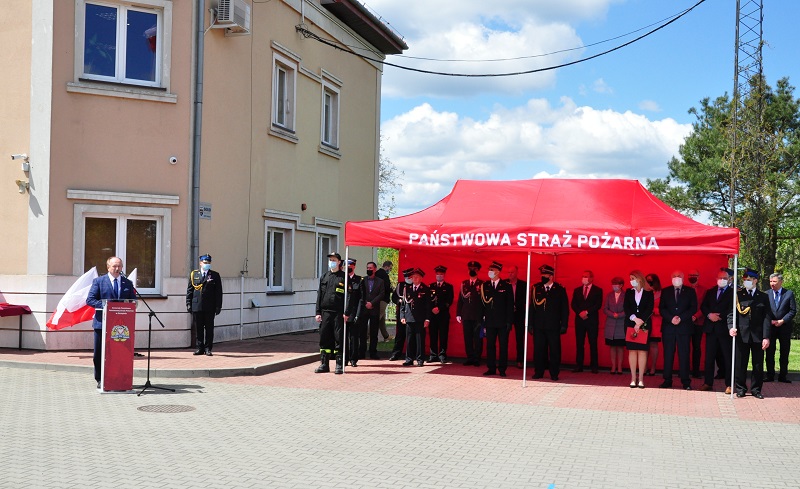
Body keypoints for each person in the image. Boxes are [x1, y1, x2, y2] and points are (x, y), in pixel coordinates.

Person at [87, 256, 136, 388]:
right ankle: (100, 379)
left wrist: (131, 305)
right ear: (108, 267)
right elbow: (90, 300)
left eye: (119, 266)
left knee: (119, 353)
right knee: (100, 353)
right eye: (114, 266)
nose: (117, 268)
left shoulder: (127, 283)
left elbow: (133, 301)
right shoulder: (99, 281)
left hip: (121, 326)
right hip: (102, 324)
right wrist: (106, 306)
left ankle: (119, 379)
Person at [729, 268, 771, 399]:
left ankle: (756, 389)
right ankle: (740, 388)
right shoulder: (738, 295)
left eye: (749, 279)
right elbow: (731, 314)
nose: (746, 282)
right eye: (745, 280)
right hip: (742, 334)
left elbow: (767, 318)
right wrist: (731, 327)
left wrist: (766, 337)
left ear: (755, 281)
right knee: (740, 364)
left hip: (758, 335)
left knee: (758, 364)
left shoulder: (763, 296)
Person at [529, 264, 569, 381]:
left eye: (545, 275)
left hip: (553, 326)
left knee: (554, 350)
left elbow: (564, 309)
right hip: (539, 325)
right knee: (539, 350)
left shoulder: (559, 289)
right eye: (542, 275)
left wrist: (564, 324)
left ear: (551, 276)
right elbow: (532, 308)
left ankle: (554, 373)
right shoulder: (536, 288)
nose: (542, 277)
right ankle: (539, 371)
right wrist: (530, 324)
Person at [659, 270, 698, 390]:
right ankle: (667, 380)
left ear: (683, 278)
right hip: (669, 328)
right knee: (668, 354)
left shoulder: (690, 291)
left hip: (684, 328)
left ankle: (686, 381)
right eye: (674, 276)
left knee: (684, 354)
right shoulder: (665, 291)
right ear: (671, 278)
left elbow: (693, 308)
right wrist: (671, 318)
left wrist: (681, 318)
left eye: (679, 276)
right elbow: (662, 308)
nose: (677, 278)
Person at [699, 268, 735, 394]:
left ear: (729, 279)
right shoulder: (711, 291)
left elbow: (732, 309)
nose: (722, 280)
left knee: (727, 357)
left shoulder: (733, 292)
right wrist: (710, 315)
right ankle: (708, 383)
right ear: (716, 279)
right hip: (711, 329)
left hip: (725, 329)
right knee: (709, 358)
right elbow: (704, 306)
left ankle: (729, 384)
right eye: (720, 278)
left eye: (725, 278)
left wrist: (720, 316)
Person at [186, 253, 223, 357]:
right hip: (197, 305)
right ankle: (199, 348)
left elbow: (218, 292)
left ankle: (208, 348)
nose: (207, 264)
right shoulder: (194, 274)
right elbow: (190, 290)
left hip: (210, 307)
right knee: (199, 328)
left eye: (209, 262)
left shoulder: (215, 275)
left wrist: (218, 306)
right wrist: (188, 303)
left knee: (209, 329)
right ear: (200, 263)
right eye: (205, 262)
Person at [480, 261, 514, 377]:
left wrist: (509, 321)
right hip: (489, 321)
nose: (490, 272)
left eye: (492, 270)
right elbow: (482, 305)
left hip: (502, 322)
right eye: (489, 270)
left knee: (503, 346)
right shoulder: (485, 286)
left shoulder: (506, 286)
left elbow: (510, 305)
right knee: (490, 345)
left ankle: (502, 369)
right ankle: (491, 368)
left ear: (498, 272)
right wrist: (481, 320)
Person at [314, 252, 346, 374]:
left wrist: (347, 312)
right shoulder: (324, 276)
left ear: (339, 262)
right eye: (330, 260)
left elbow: (348, 297)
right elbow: (319, 295)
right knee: (324, 338)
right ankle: (324, 364)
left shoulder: (343, 277)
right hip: (325, 313)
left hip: (338, 313)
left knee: (338, 338)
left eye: (334, 260)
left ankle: (339, 365)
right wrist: (318, 312)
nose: (331, 262)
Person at [624, 270, 654, 388]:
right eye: (630, 279)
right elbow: (626, 307)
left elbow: (649, 308)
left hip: (644, 325)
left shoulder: (648, 293)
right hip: (630, 324)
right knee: (632, 350)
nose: (631, 281)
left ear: (639, 279)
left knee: (642, 351)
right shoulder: (628, 292)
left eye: (633, 278)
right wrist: (634, 319)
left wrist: (640, 321)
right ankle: (633, 378)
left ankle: (641, 378)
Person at [570, 270, 603, 373]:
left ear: (591, 278)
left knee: (593, 343)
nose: (584, 278)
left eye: (587, 276)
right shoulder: (577, 290)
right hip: (580, 320)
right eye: (583, 276)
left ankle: (594, 366)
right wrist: (580, 312)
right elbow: (573, 304)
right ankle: (579, 365)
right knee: (579, 343)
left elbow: (598, 305)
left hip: (592, 320)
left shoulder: (598, 290)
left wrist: (587, 312)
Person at [766, 273, 796, 383]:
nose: (772, 284)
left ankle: (783, 376)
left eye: (774, 281)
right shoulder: (766, 294)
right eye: (771, 281)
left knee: (784, 352)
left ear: (781, 282)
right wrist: (770, 321)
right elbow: (763, 310)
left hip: (784, 327)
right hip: (771, 327)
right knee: (770, 352)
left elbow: (793, 310)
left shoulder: (789, 294)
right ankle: (770, 375)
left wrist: (782, 320)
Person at [457, 261, 484, 367]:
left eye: (474, 269)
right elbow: (460, 300)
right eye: (470, 269)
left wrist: (484, 314)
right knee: (467, 338)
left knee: (478, 338)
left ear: (478, 271)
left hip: (478, 316)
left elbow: (484, 301)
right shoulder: (464, 284)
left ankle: (477, 358)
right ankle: (470, 358)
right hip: (466, 315)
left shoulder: (482, 284)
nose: (472, 271)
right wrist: (458, 314)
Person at [401, 268, 430, 367]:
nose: (414, 278)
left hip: (420, 318)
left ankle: (420, 359)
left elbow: (428, 306)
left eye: (417, 277)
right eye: (413, 277)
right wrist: (402, 316)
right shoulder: (407, 288)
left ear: (421, 278)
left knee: (420, 340)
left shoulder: (425, 289)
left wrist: (427, 319)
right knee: (409, 340)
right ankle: (409, 359)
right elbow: (403, 304)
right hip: (409, 317)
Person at [428, 265, 454, 363]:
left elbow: (449, 301)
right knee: (433, 335)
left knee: (443, 336)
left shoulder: (448, 287)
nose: (439, 276)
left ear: (444, 275)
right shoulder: (431, 286)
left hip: (443, 315)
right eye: (438, 274)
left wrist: (439, 308)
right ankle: (433, 355)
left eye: (441, 274)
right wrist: (432, 308)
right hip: (433, 315)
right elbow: (428, 301)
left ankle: (442, 355)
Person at [362, 261, 386, 360]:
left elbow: (382, 294)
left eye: (370, 268)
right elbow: (361, 293)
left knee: (374, 332)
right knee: (362, 332)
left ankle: (373, 352)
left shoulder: (380, 281)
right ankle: (361, 352)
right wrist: (365, 303)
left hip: (374, 309)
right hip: (364, 309)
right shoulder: (363, 280)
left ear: (375, 269)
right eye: (367, 268)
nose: (369, 269)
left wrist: (372, 303)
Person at [389, 268, 414, 361]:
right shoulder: (401, 285)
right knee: (400, 334)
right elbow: (394, 297)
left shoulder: (415, 285)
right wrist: (398, 301)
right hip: (402, 313)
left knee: (412, 335)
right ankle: (396, 353)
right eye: (406, 277)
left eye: (410, 277)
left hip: (412, 314)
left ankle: (412, 354)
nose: (408, 279)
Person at [603, 277, 626, 375]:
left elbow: (628, 309)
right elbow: (605, 309)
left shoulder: (626, 295)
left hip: (621, 323)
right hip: (611, 323)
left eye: (616, 284)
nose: (614, 286)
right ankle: (613, 366)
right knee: (612, 346)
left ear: (621, 285)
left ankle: (619, 367)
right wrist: (612, 314)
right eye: (613, 284)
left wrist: (619, 315)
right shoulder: (609, 295)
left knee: (620, 347)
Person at [506, 266, 528, 368]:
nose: (510, 274)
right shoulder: (504, 283)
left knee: (519, 338)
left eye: (512, 272)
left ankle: (520, 360)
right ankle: (503, 360)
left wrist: (516, 305)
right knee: (504, 338)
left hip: (519, 314)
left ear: (517, 272)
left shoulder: (523, 284)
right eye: (509, 272)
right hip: (507, 314)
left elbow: (525, 299)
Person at [687, 269, 706, 379]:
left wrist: (696, 316)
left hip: (698, 322)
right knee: (684, 347)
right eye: (690, 275)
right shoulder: (684, 289)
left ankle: (696, 371)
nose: (692, 276)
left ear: (698, 276)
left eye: (694, 275)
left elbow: (705, 306)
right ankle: (684, 370)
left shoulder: (704, 290)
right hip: (685, 322)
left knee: (697, 347)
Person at [343, 259, 363, 367]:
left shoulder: (359, 280)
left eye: (350, 265)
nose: (348, 267)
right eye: (346, 265)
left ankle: (353, 359)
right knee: (343, 337)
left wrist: (358, 314)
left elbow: (361, 299)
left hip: (354, 313)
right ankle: (344, 358)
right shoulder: (342, 279)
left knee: (354, 338)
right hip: (342, 313)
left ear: (354, 266)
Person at [644, 273, 662, 376]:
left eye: (650, 280)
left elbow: (664, 308)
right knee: (644, 345)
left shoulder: (661, 293)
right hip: (645, 321)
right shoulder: (644, 292)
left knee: (653, 344)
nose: (649, 282)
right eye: (647, 280)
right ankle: (644, 366)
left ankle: (653, 367)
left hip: (656, 322)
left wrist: (655, 310)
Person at [375, 260, 393, 342]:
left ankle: (386, 336)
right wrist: (391, 289)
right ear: (386, 267)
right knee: (377, 318)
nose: (390, 270)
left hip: (377, 298)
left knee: (382, 319)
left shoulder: (377, 273)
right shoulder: (384, 275)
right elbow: (386, 287)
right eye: (390, 268)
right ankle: (367, 335)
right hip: (383, 299)